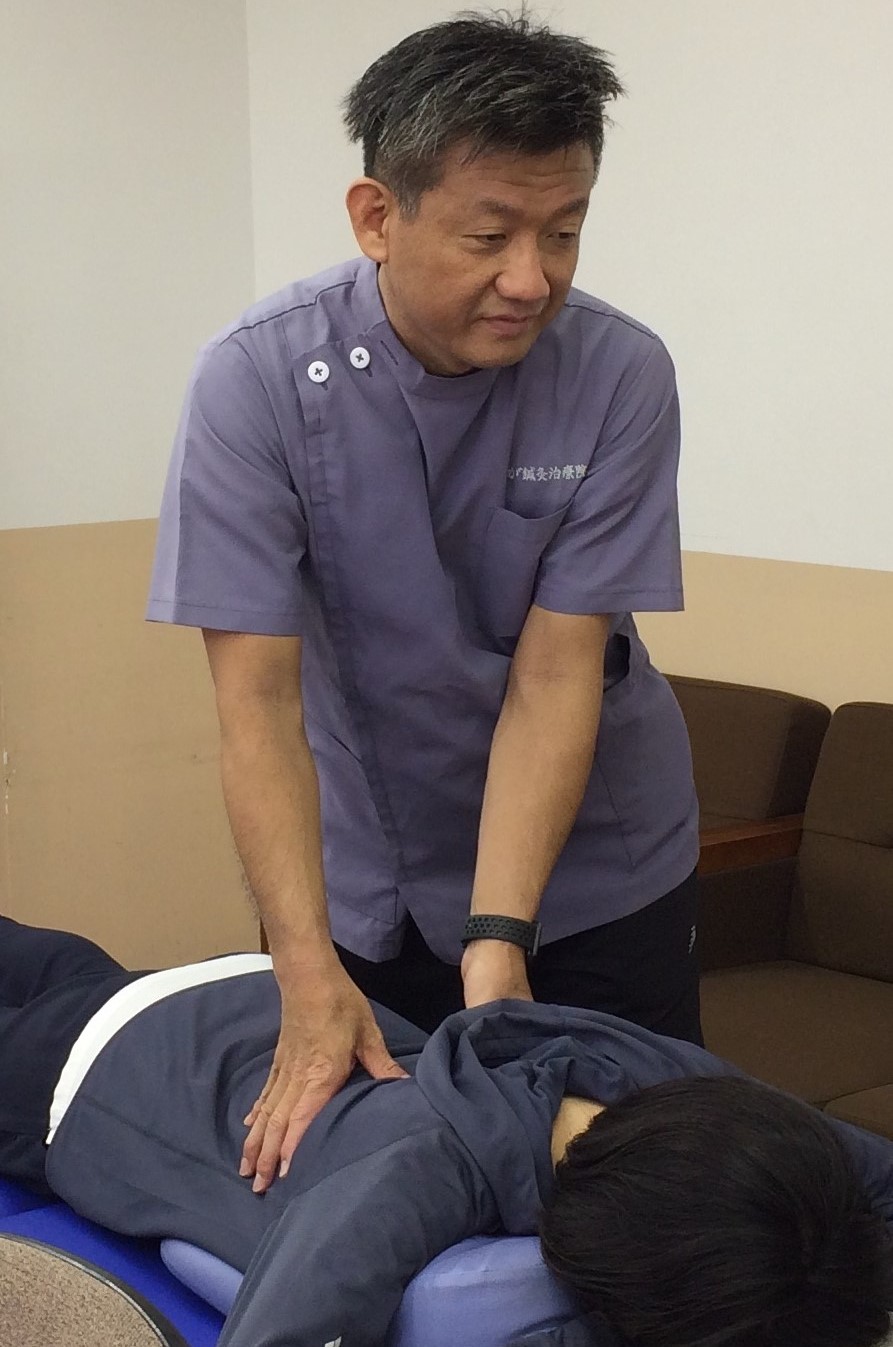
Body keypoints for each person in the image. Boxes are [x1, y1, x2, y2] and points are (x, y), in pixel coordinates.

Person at [148, 10, 703, 1194]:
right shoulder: (255, 382)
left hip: (595, 872)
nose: (530, 278)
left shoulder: (618, 374)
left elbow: (555, 673)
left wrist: (498, 944)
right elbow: (257, 706)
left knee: (638, 1192)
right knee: (388, 1181)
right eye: (489, 235)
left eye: (563, 232)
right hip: (371, 877)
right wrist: (302, 968)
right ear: (376, 217)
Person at [2, 915, 891, 1347]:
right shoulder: (407, 1180)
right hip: (83, 1066)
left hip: (237, 991)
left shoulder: (648, 1076)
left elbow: (866, 1176)